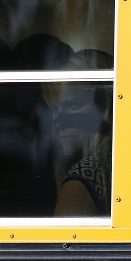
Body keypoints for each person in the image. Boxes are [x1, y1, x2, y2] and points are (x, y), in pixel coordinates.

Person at [44, 49, 113, 216]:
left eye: (72, 106)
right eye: (54, 109)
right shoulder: (115, 169)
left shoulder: (83, 177)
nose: (57, 119)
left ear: (104, 107)